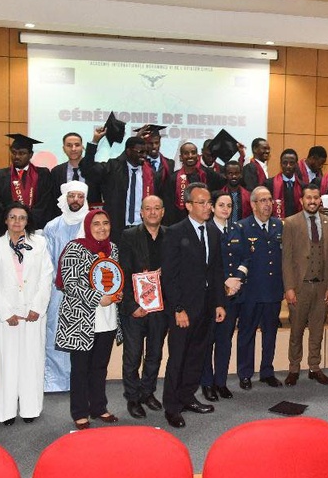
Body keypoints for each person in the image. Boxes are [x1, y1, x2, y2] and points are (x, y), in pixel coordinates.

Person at [161, 184, 227, 428]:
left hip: (207, 307)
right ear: (188, 205)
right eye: (201, 202)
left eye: (209, 202)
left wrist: (220, 303)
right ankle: (172, 406)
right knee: (178, 357)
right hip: (183, 310)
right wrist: (177, 308)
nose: (207, 207)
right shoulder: (175, 232)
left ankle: (188, 396)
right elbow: (169, 275)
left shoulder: (213, 232)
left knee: (197, 356)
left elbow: (217, 271)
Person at [0, 202, 52, 425]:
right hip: (6, 317)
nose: (17, 222)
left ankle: (31, 409)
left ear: (27, 221)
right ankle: (6, 411)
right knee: (7, 363)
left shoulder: (39, 243)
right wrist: (5, 312)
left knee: (32, 361)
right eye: (12, 217)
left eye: (21, 218)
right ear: (5, 220)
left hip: (33, 314)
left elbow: (46, 276)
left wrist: (37, 307)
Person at [55, 209, 121, 430]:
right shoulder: (75, 248)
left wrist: (118, 293)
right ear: (87, 227)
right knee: (81, 368)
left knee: (100, 367)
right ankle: (80, 412)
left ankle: (99, 407)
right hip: (81, 319)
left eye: (106, 223)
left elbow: (116, 278)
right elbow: (71, 283)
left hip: (108, 318)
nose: (102, 228)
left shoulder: (113, 249)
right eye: (96, 224)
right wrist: (97, 298)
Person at [226, 186, 284, 392]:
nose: (268, 204)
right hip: (250, 292)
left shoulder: (280, 225)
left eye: (269, 200)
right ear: (252, 204)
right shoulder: (241, 227)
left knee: (270, 334)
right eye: (262, 200)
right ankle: (245, 373)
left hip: (273, 290)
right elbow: (239, 260)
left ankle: (267, 371)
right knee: (247, 334)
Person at [282, 184, 328, 386]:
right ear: (301, 200)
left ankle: (314, 367)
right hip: (300, 287)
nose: (312, 201)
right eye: (309, 198)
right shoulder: (290, 223)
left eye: (316, 198)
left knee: (317, 330)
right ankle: (294, 368)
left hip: (322, 287)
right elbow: (286, 259)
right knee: (296, 331)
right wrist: (289, 288)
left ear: (320, 200)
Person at [118, 195, 168, 419]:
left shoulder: (170, 235)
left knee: (155, 354)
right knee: (133, 356)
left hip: (161, 308)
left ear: (163, 212)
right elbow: (123, 273)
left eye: (157, 208)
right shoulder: (129, 236)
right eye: (148, 209)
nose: (153, 212)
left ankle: (148, 392)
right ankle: (133, 397)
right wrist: (131, 306)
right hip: (135, 308)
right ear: (141, 213)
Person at [42, 181, 89, 392]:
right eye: (72, 196)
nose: (76, 200)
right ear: (65, 198)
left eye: (80, 196)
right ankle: (55, 381)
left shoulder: (91, 225)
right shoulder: (52, 227)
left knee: (82, 334)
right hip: (58, 290)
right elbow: (47, 262)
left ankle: (81, 380)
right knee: (54, 332)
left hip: (85, 291)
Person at [80, 130, 160, 242]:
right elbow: (88, 170)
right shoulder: (113, 168)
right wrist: (94, 142)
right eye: (140, 152)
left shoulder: (151, 175)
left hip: (142, 230)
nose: (144, 155)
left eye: (146, 152)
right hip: (117, 230)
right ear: (128, 151)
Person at [200, 191, 242, 400]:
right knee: (207, 341)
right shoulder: (205, 230)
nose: (226, 209)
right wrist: (225, 281)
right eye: (221, 205)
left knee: (225, 340)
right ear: (212, 208)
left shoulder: (237, 229)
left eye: (229, 206)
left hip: (232, 295)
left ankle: (221, 382)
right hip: (211, 295)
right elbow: (203, 264)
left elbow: (246, 258)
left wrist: (237, 280)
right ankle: (207, 383)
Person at [0, 133, 56, 231]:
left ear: (31, 155)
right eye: (13, 152)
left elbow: (45, 203)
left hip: (36, 228)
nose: (17, 156)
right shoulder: (0, 175)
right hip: (8, 229)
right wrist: (12, 221)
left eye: (22, 153)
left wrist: (29, 222)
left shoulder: (43, 174)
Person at [165, 140, 225, 223]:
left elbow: (227, 182)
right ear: (181, 157)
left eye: (193, 153)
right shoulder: (173, 179)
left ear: (197, 156)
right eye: (186, 153)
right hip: (180, 224)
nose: (190, 156)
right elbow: (169, 208)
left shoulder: (207, 174)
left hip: (204, 223)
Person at [264, 149, 305, 219]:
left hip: (297, 225)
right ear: (280, 164)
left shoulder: (303, 186)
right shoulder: (269, 184)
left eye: (291, 163)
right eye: (285, 163)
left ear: (296, 165)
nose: (288, 166)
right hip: (276, 225)